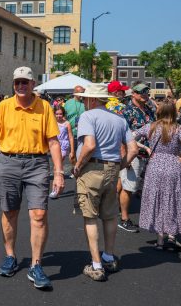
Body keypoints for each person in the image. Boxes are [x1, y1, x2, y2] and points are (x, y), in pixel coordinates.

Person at [0, 67, 64, 289]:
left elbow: (53, 142)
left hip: (37, 164)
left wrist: (59, 172)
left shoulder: (44, 107)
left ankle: (36, 265)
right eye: (17, 83)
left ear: (33, 84)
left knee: (39, 215)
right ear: (13, 85)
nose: (21, 86)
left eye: (25, 82)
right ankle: (11, 256)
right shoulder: (5, 106)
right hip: (8, 163)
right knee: (10, 212)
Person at [72, 84, 139, 281]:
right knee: (109, 215)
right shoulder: (119, 118)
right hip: (112, 168)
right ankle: (108, 257)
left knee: (90, 216)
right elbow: (133, 149)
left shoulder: (88, 116)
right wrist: (120, 166)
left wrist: (78, 165)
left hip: (92, 168)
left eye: (85, 99)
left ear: (92, 100)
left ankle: (96, 264)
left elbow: (90, 145)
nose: (83, 101)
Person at [133, 100, 181, 250]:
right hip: (174, 165)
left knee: (158, 199)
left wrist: (145, 148)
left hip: (155, 165)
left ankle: (160, 240)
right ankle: (172, 236)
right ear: (174, 112)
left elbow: (130, 136)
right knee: (173, 198)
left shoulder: (151, 126)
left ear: (159, 112)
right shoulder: (179, 128)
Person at [118, 83, 156, 233]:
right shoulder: (126, 111)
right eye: (141, 92)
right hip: (133, 154)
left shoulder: (148, 109)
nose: (144, 95)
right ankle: (124, 218)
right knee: (129, 187)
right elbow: (121, 135)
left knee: (137, 186)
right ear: (133, 93)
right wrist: (124, 157)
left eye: (146, 92)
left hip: (148, 155)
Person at [49, 106, 74, 198]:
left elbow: (71, 137)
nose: (59, 116)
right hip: (55, 144)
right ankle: (59, 185)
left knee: (56, 167)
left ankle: (55, 189)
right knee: (57, 167)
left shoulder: (67, 123)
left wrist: (72, 150)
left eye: (60, 114)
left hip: (63, 146)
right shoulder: (52, 122)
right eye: (57, 114)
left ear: (63, 114)